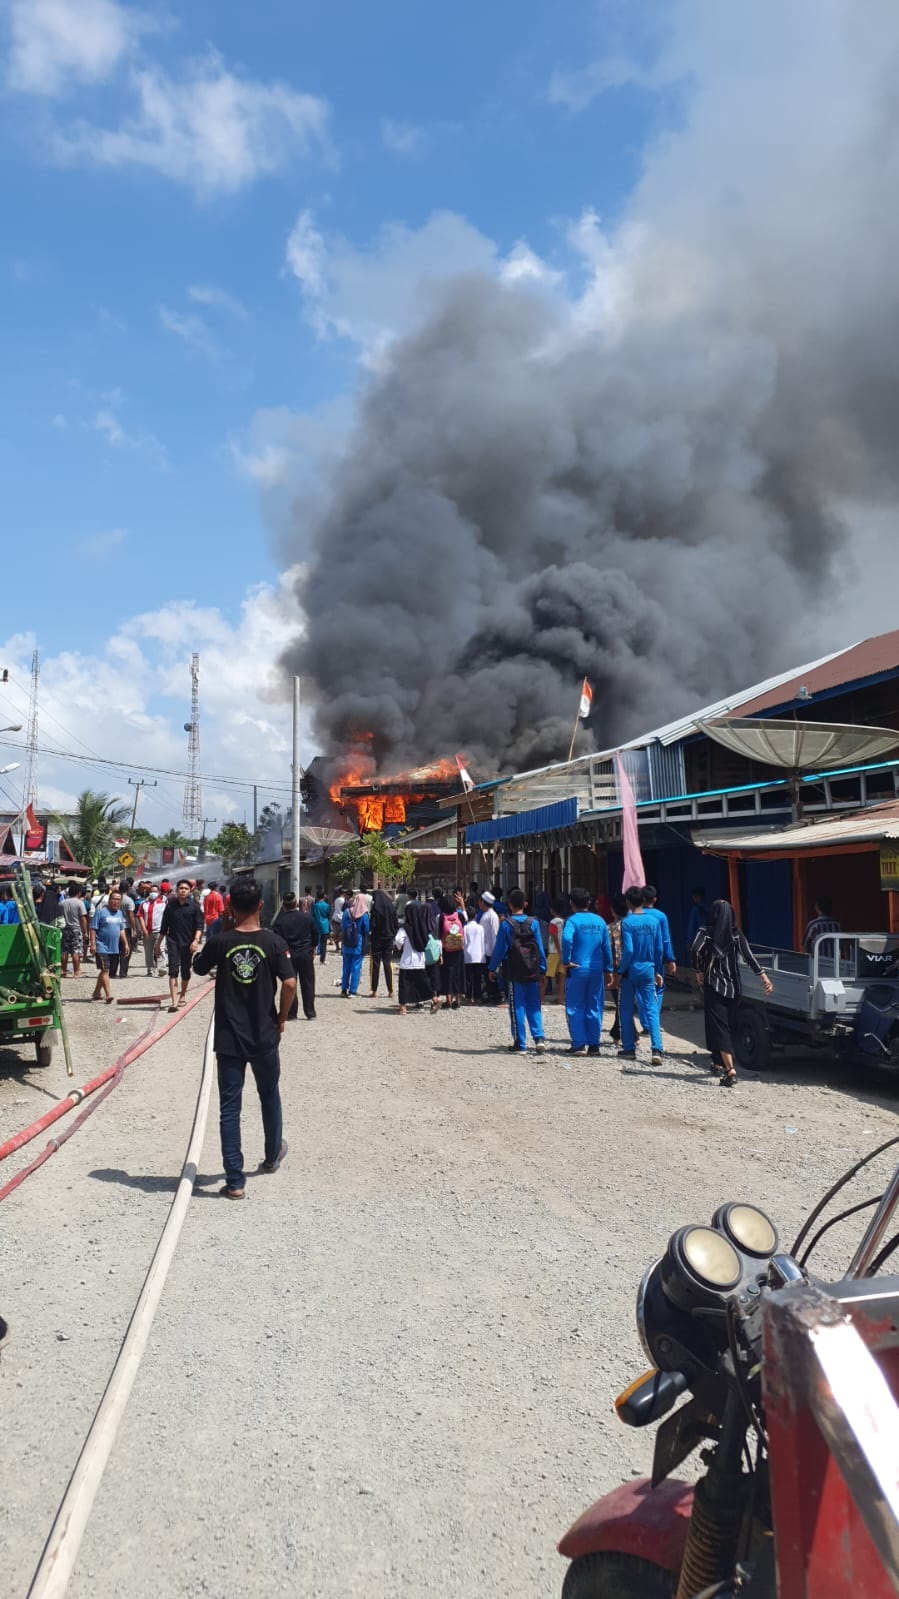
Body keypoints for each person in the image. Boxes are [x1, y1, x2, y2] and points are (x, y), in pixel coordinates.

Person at [193, 877, 295, 1199]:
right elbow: (291, 984)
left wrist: (222, 929)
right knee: (269, 1097)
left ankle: (235, 1181)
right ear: (261, 906)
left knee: (229, 1109)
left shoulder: (221, 942)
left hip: (229, 1039)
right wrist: (280, 1018)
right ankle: (270, 1157)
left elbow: (198, 967)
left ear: (231, 908)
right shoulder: (273, 942)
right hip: (264, 1035)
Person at [693, 899, 773, 1086]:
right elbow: (749, 956)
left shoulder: (705, 933)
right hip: (735, 989)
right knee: (726, 1025)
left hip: (715, 987)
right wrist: (764, 978)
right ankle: (717, 1061)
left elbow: (696, 950)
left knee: (719, 1027)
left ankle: (730, 1070)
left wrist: (698, 971)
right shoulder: (736, 934)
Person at [488, 888, 547, 1054]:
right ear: (526, 904)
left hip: (515, 970)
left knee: (517, 1006)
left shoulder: (506, 924)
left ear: (509, 905)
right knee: (534, 1004)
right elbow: (540, 948)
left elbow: (500, 948)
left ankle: (520, 1043)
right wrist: (543, 969)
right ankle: (539, 1037)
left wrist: (493, 968)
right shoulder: (534, 923)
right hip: (533, 969)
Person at [561, 887, 614, 1056]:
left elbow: (567, 939)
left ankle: (578, 1043)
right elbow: (607, 947)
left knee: (575, 1006)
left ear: (571, 904)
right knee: (594, 1005)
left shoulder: (572, 921)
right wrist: (608, 969)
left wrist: (566, 960)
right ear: (589, 903)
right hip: (596, 969)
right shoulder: (599, 921)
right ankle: (594, 1044)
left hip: (577, 968)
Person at [617, 886, 665, 1065]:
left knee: (626, 1008)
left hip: (631, 970)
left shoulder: (627, 922)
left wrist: (621, 970)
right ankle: (657, 1049)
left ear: (628, 902)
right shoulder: (653, 921)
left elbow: (628, 949)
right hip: (649, 969)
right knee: (651, 1009)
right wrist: (658, 971)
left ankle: (629, 1047)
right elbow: (659, 949)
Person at [156, 879, 204, 1012]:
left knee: (185, 970)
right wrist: (158, 943)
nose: (183, 890)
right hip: (173, 942)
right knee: (173, 970)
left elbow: (200, 925)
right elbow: (164, 926)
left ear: (190, 891)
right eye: (181, 888)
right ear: (177, 890)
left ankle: (183, 994)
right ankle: (174, 1001)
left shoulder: (194, 907)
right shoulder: (170, 906)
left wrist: (195, 941)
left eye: (186, 889)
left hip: (188, 943)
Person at [272, 891, 316, 1020]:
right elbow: (315, 934)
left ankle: (292, 1013)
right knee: (308, 983)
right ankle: (310, 1013)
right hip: (305, 954)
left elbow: (277, 941)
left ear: (284, 906)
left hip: (288, 955)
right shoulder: (307, 917)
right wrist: (312, 947)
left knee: (291, 983)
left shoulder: (280, 922)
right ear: (297, 903)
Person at [90, 888, 128, 1005]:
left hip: (114, 947)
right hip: (101, 946)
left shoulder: (120, 913)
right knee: (105, 970)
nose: (115, 902)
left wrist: (126, 943)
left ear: (120, 902)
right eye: (113, 899)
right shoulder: (100, 912)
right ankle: (108, 995)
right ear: (109, 900)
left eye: (118, 900)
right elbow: (93, 928)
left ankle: (96, 993)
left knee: (104, 971)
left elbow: (121, 930)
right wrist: (92, 944)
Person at [642, 886, 677, 1011]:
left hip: (639, 958)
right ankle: (654, 1017)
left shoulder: (633, 915)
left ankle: (646, 1022)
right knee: (659, 986)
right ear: (655, 899)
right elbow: (666, 939)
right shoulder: (661, 916)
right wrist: (671, 959)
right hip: (657, 957)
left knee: (641, 989)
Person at [394, 916, 431, 1014]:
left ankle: (403, 1007)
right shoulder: (422, 926)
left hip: (407, 960)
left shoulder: (404, 928)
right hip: (420, 960)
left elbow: (398, 941)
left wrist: (399, 947)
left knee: (404, 984)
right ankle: (435, 1000)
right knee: (422, 982)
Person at [606, 893, 629, 1043]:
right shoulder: (632, 926)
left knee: (621, 1003)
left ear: (613, 911)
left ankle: (628, 1035)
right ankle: (617, 1033)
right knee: (623, 1002)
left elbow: (608, 950)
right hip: (633, 968)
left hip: (617, 968)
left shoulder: (610, 928)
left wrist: (608, 972)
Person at [369, 888, 399, 997]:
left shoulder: (375, 908)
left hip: (377, 938)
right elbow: (396, 924)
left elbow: (372, 925)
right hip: (388, 938)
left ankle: (374, 990)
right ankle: (390, 990)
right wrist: (392, 933)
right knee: (388, 963)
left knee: (375, 964)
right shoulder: (391, 907)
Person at [438, 893, 466, 1009]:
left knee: (447, 974)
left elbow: (438, 935)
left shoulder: (441, 917)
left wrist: (440, 954)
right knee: (458, 974)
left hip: (446, 950)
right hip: (459, 949)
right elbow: (466, 920)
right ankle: (458, 1000)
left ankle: (448, 1000)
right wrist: (462, 905)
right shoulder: (459, 915)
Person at [340, 892, 369, 996]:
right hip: (358, 944)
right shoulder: (364, 915)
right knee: (356, 967)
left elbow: (342, 927)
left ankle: (343, 989)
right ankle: (352, 991)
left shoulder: (347, 912)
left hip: (346, 943)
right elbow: (366, 930)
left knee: (346, 967)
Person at [60, 884, 88, 977]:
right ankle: (76, 971)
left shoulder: (62, 903)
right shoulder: (80, 903)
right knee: (75, 951)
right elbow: (83, 918)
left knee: (64, 951)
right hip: (75, 928)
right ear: (79, 893)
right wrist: (85, 931)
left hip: (64, 928)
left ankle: (63, 970)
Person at [139, 886, 167, 977]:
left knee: (160, 948)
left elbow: (167, 917)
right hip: (147, 931)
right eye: (151, 891)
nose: (153, 893)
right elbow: (140, 916)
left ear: (158, 892)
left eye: (155, 891)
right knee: (148, 950)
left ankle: (162, 968)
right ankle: (150, 968)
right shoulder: (144, 904)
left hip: (159, 931)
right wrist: (144, 929)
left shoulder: (163, 904)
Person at [479, 891, 502, 1003]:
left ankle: (495, 995)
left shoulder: (491, 915)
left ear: (483, 902)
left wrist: (494, 953)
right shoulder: (486, 914)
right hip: (485, 950)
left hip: (490, 951)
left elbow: (494, 934)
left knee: (491, 976)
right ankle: (491, 994)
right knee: (487, 975)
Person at [463, 909, 486, 1004]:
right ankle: (477, 998)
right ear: (475, 916)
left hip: (468, 955)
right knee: (477, 978)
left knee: (468, 978)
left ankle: (468, 998)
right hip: (479, 955)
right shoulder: (480, 928)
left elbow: (464, 942)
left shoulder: (465, 928)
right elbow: (482, 941)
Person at [686, 887, 710, 953]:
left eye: (694, 897)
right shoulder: (711, 909)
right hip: (710, 940)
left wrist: (689, 942)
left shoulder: (695, 910)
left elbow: (692, 927)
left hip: (698, 941)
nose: (694, 899)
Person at [312, 889, 331, 964]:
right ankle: (322, 960)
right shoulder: (327, 905)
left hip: (316, 925)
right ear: (324, 896)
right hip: (325, 925)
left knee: (314, 943)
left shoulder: (315, 906)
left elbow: (312, 915)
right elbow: (328, 915)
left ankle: (312, 957)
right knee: (324, 944)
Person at [331, 887, 346, 952]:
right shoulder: (344, 900)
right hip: (342, 918)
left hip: (335, 917)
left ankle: (337, 947)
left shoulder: (336, 899)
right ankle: (342, 948)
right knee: (343, 934)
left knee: (336, 934)